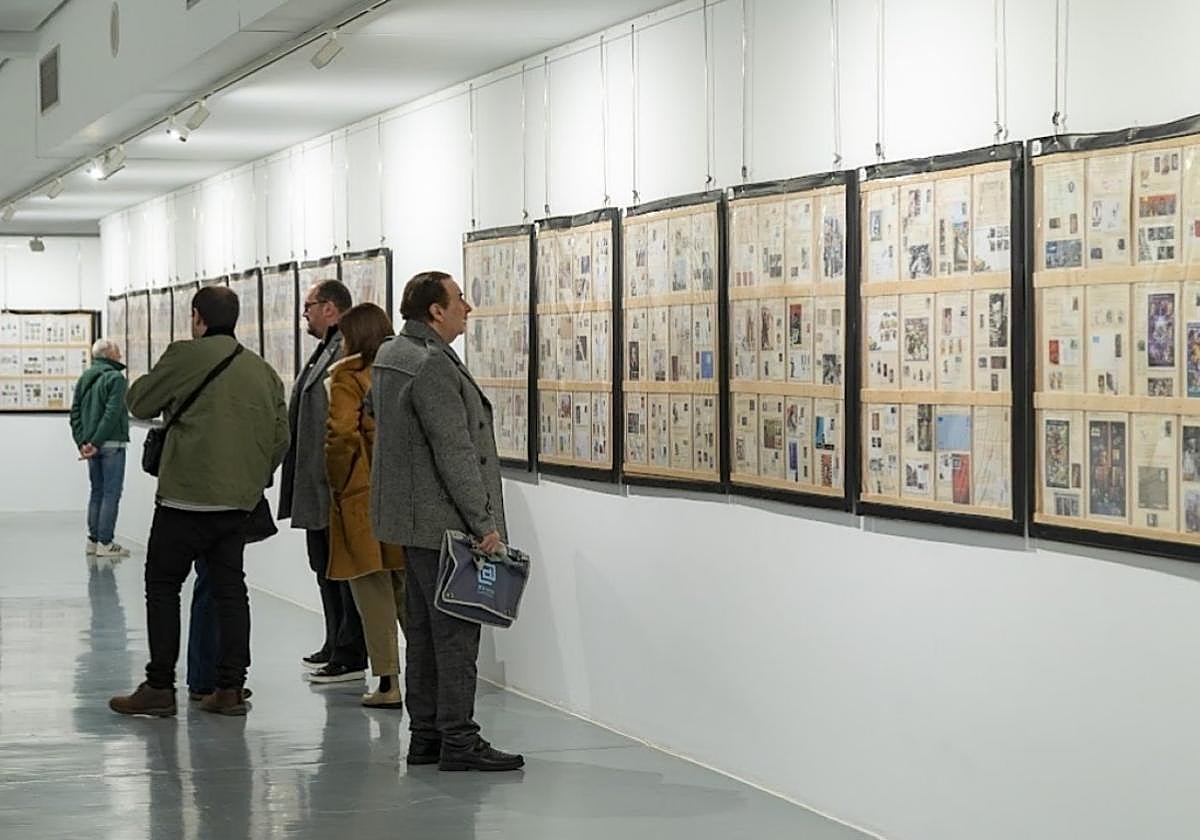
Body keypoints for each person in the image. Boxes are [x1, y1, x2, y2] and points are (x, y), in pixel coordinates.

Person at [109, 285, 289, 717]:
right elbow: (280, 437)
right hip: (236, 505)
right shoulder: (261, 370)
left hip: (183, 501)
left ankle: (159, 687)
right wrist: (250, 481)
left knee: (163, 586)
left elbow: (139, 402)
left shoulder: (183, 355)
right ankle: (229, 689)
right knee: (231, 592)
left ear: (197, 317)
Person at [371, 271, 523, 772]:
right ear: (436, 311)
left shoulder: (392, 354)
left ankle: (426, 736)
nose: (468, 307)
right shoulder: (431, 364)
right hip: (445, 524)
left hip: (411, 522)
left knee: (422, 633)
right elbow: (455, 452)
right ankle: (458, 739)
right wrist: (484, 524)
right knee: (455, 636)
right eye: (459, 299)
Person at [278, 279, 368, 683]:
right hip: (315, 483)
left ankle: (351, 652)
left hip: (335, 485)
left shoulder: (346, 350)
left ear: (330, 308)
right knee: (323, 566)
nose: (306, 316)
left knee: (343, 570)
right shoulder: (324, 349)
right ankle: (335, 641)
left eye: (309, 307)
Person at [324, 302, 407, 708]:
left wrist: (337, 481)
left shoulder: (348, 376)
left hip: (362, 495)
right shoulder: (403, 369)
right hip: (404, 494)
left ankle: (389, 683)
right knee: (409, 594)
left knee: (373, 595)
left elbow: (341, 434)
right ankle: (431, 679)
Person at [69, 338, 131, 558]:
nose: (120, 356)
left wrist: (83, 443)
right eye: (117, 352)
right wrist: (96, 442)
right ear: (109, 355)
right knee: (111, 493)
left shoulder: (85, 377)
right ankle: (106, 542)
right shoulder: (116, 378)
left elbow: (75, 413)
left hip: (90, 445)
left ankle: (93, 541)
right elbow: (111, 414)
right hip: (111, 444)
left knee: (96, 492)